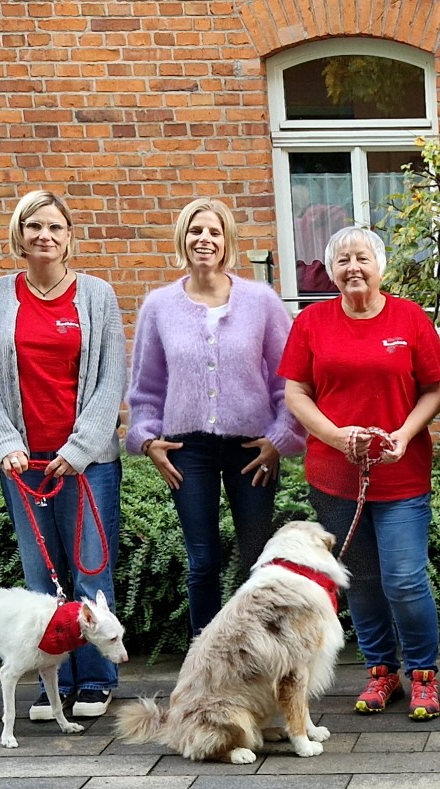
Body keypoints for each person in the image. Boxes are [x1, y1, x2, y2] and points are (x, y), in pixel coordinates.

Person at [279, 226, 440, 721]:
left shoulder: (409, 317)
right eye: (342, 260)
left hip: (401, 473)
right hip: (335, 477)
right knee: (363, 580)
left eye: (362, 258)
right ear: (331, 272)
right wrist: (336, 437)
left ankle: (422, 674)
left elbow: (436, 388)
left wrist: (403, 432)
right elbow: (296, 394)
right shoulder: (312, 321)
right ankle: (381, 672)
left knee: (403, 579)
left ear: (381, 267)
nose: (353, 268)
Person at [0, 189, 129, 719]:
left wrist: (82, 447)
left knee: (88, 572)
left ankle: (95, 679)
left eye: (55, 227)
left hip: (87, 462)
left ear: (69, 237)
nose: (44, 235)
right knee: (42, 578)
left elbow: (111, 378)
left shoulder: (96, 295)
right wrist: (6, 443)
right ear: (19, 235)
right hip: (25, 462)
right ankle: (51, 681)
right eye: (33, 226)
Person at [128, 197, 302, 637]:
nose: (204, 240)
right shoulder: (159, 306)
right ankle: (204, 662)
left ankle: (260, 655)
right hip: (188, 450)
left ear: (227, 242)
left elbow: (288, 379)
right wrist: (148, 440)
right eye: (195, 231)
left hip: (252, 448)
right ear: (182, 240)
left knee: (257, 557)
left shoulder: (261, 301)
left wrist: (280, 439)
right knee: (202, 560)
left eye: (214, 232)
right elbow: (146, 387)